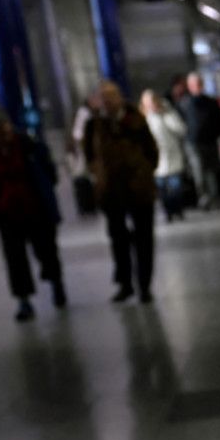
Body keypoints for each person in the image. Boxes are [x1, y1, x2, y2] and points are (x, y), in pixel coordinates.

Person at [0, 114, 65, 321]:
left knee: (46, 250)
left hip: (35, 207)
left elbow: (48, 170)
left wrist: (46, 193)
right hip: (7, 213)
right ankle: (23, 300)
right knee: (15, 259)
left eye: (3, 129)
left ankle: (56, 283)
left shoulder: (27, 143)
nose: (1, 135)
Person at [82, 82, 158, 303]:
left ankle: (144, 284)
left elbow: (151, 149)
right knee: (118, 238)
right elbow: (89, 155)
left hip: (139, 188)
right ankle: (125, 283)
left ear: (119, 98)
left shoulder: (135, 119)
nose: (107, 102)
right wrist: (99, 174)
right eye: (103, 98)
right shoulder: (94, 125)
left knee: (144, 237)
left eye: (111, 97)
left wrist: (144, 171)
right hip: (111, 190)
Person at [179, 74, 220, 209]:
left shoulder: (211, 102)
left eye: (199, 84)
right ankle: (203, 197)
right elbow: (180, 124)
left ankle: (215, 197)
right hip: (193, 144)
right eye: (194, 85)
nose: (197, 87)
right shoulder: (184, 103)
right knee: (198, 171)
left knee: (212, 171)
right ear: (189, 86)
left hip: (210, 142)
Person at [143, 90, 193, 223]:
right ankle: (168, 212)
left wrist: (165, 116)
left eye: (152, 102)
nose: (151, 105)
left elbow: (181, 129)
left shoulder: (168, 113)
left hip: (173, 156)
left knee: (176, 188)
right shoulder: (144, 118)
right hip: (156, 159)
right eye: (148, 103)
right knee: (162, 190)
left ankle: (178, 210)